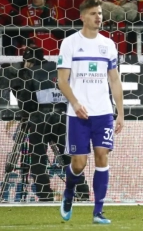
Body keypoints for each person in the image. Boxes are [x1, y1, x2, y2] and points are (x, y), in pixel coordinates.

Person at [57, 0, 124, 224]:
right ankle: (69, 193)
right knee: (79, 163)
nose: (99, 17)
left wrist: (121, 112)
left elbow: (114, 80)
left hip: (103, 112)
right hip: (78, 114)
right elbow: (62, 81)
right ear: (83, 17)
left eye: (100, 13)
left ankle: (98, 211)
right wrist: (75, 103)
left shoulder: (108, 44)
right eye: (94, 13)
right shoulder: (70, 43)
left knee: (102, 156)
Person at [0, 46, 90, 201]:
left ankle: (44, 194)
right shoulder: (58, 69)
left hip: (39, 119)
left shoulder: (28, 72)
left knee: (38, 157)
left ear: (28, 60)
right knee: (69, 157)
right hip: (63, 117)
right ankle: (82, 192)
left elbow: (26, 102)